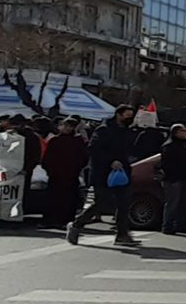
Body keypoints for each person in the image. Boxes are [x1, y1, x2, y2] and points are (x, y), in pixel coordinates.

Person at [67, 105, 137, 246]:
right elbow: (94, 149)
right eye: (127, 115)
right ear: (119, 115)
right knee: (102, 203)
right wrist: (110, 161)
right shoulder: (104, 130)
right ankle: (77, 224)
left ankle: (122, 234)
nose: (130, 118)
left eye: (131, 116)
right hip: (103, 173)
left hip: (122, 173)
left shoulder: (126, 131)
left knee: (123, 204)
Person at [41, 116, 88, 228]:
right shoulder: (55, 140)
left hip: (71, 174)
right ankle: (50, 220)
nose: (67, 128)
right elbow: (47, 157)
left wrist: (76, 168)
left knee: (69, 199)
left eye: (70, 126)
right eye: (65, 125)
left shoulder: (78, 141)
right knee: (53, 198)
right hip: (55, 174)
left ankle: (66, 221)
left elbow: (83, 157)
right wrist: (49, 169)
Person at [159, 123, 186, 235]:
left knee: (183, 203)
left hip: (183, 177)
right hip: (173, 179)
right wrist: (172, 176)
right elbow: (165, 164)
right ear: (176, 133)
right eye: (182, 131)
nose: (185, 133)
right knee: (172, 203)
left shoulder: (185, 145)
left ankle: (181, 225)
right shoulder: (168, 146)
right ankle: (167, 226)